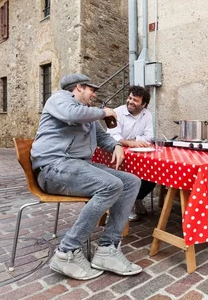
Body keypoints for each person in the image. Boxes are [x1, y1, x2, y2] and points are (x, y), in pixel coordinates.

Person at [31, 73, 142, 280]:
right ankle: (67, 252)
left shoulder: (88, 116)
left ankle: (108, 249)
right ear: (79, 87)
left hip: (76, 166)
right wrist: (103, 112)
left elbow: (102, 137)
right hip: (53, 167)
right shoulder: (60, 99)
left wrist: (116, 145)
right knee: (110, 185)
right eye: (92, 90)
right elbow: (72, 114)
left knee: (130, 182)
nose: (94, 95)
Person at [107, 85, 156, 221]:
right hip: (116, 154)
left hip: (137, 155)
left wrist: (133, 141)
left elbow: (148, 137)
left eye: (135, 100)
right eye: (129, 98)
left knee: (152, 175)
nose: (130, 102)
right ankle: (127, 204)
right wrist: (130, 143)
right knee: (128, 176)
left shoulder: (147, 114)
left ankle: (136, 198)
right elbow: (112, 136)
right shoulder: (117, 113)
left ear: (144, 104)